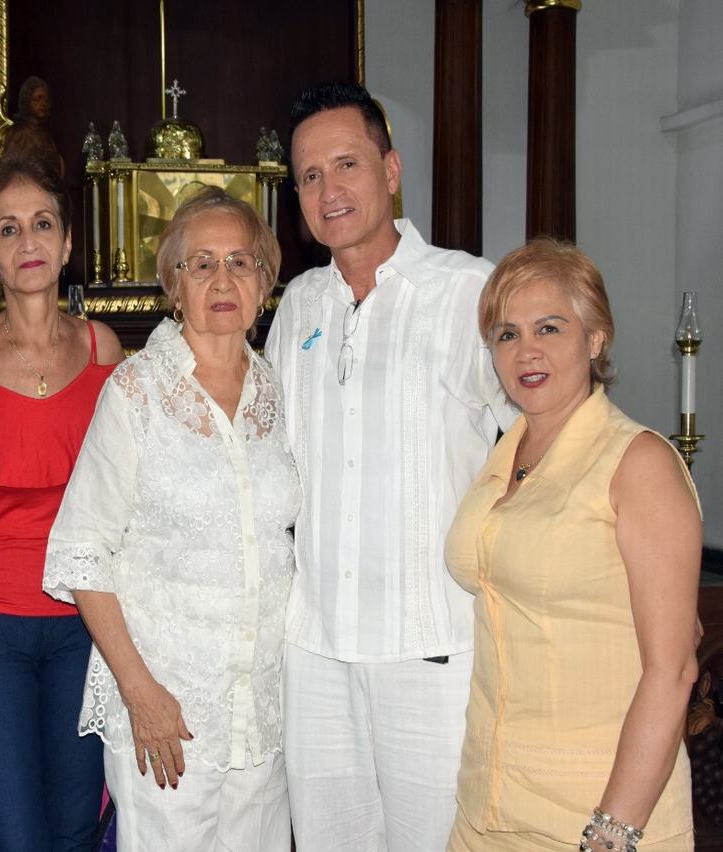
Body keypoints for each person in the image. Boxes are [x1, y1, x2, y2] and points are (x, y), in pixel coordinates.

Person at [264, 80, 517, 851]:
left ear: (391, 168)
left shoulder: (467, 290)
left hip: (431, 652)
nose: (328, 190)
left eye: (345, 164)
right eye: (308, 176)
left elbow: (534, 449)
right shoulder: (295, 307)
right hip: (313, 654)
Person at [43, 187, 300, 851]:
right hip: (169, 713)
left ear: (265, 283)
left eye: (241, 262)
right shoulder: (136, 392)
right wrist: (140, 692)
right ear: (173, 286)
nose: (222, 280)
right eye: (201, 263)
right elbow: (81, 552)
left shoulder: (277, 390)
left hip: (262, 710)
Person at [444, 239, 700, 851]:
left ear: (595, 339)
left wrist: (611, 834)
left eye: (549, 327)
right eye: (506, 334)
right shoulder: (505, 456)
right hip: (487, 805)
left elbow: (674, 669)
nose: (525, 350)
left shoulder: (638, 462)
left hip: (596, 814)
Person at [0, 154, 124, 852]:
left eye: (42, 224)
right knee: (13, 831)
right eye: (7, 229)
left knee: (77, 823)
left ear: (68, 241)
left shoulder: (105, 349)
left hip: (84, 617)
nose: (28, 242)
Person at [2, 76, 63, 175]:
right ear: (27, 101)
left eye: (46, 100)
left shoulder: (46, 136)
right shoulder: (18, 134)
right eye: (38, 99)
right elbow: (9, 167)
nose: (43, 104)